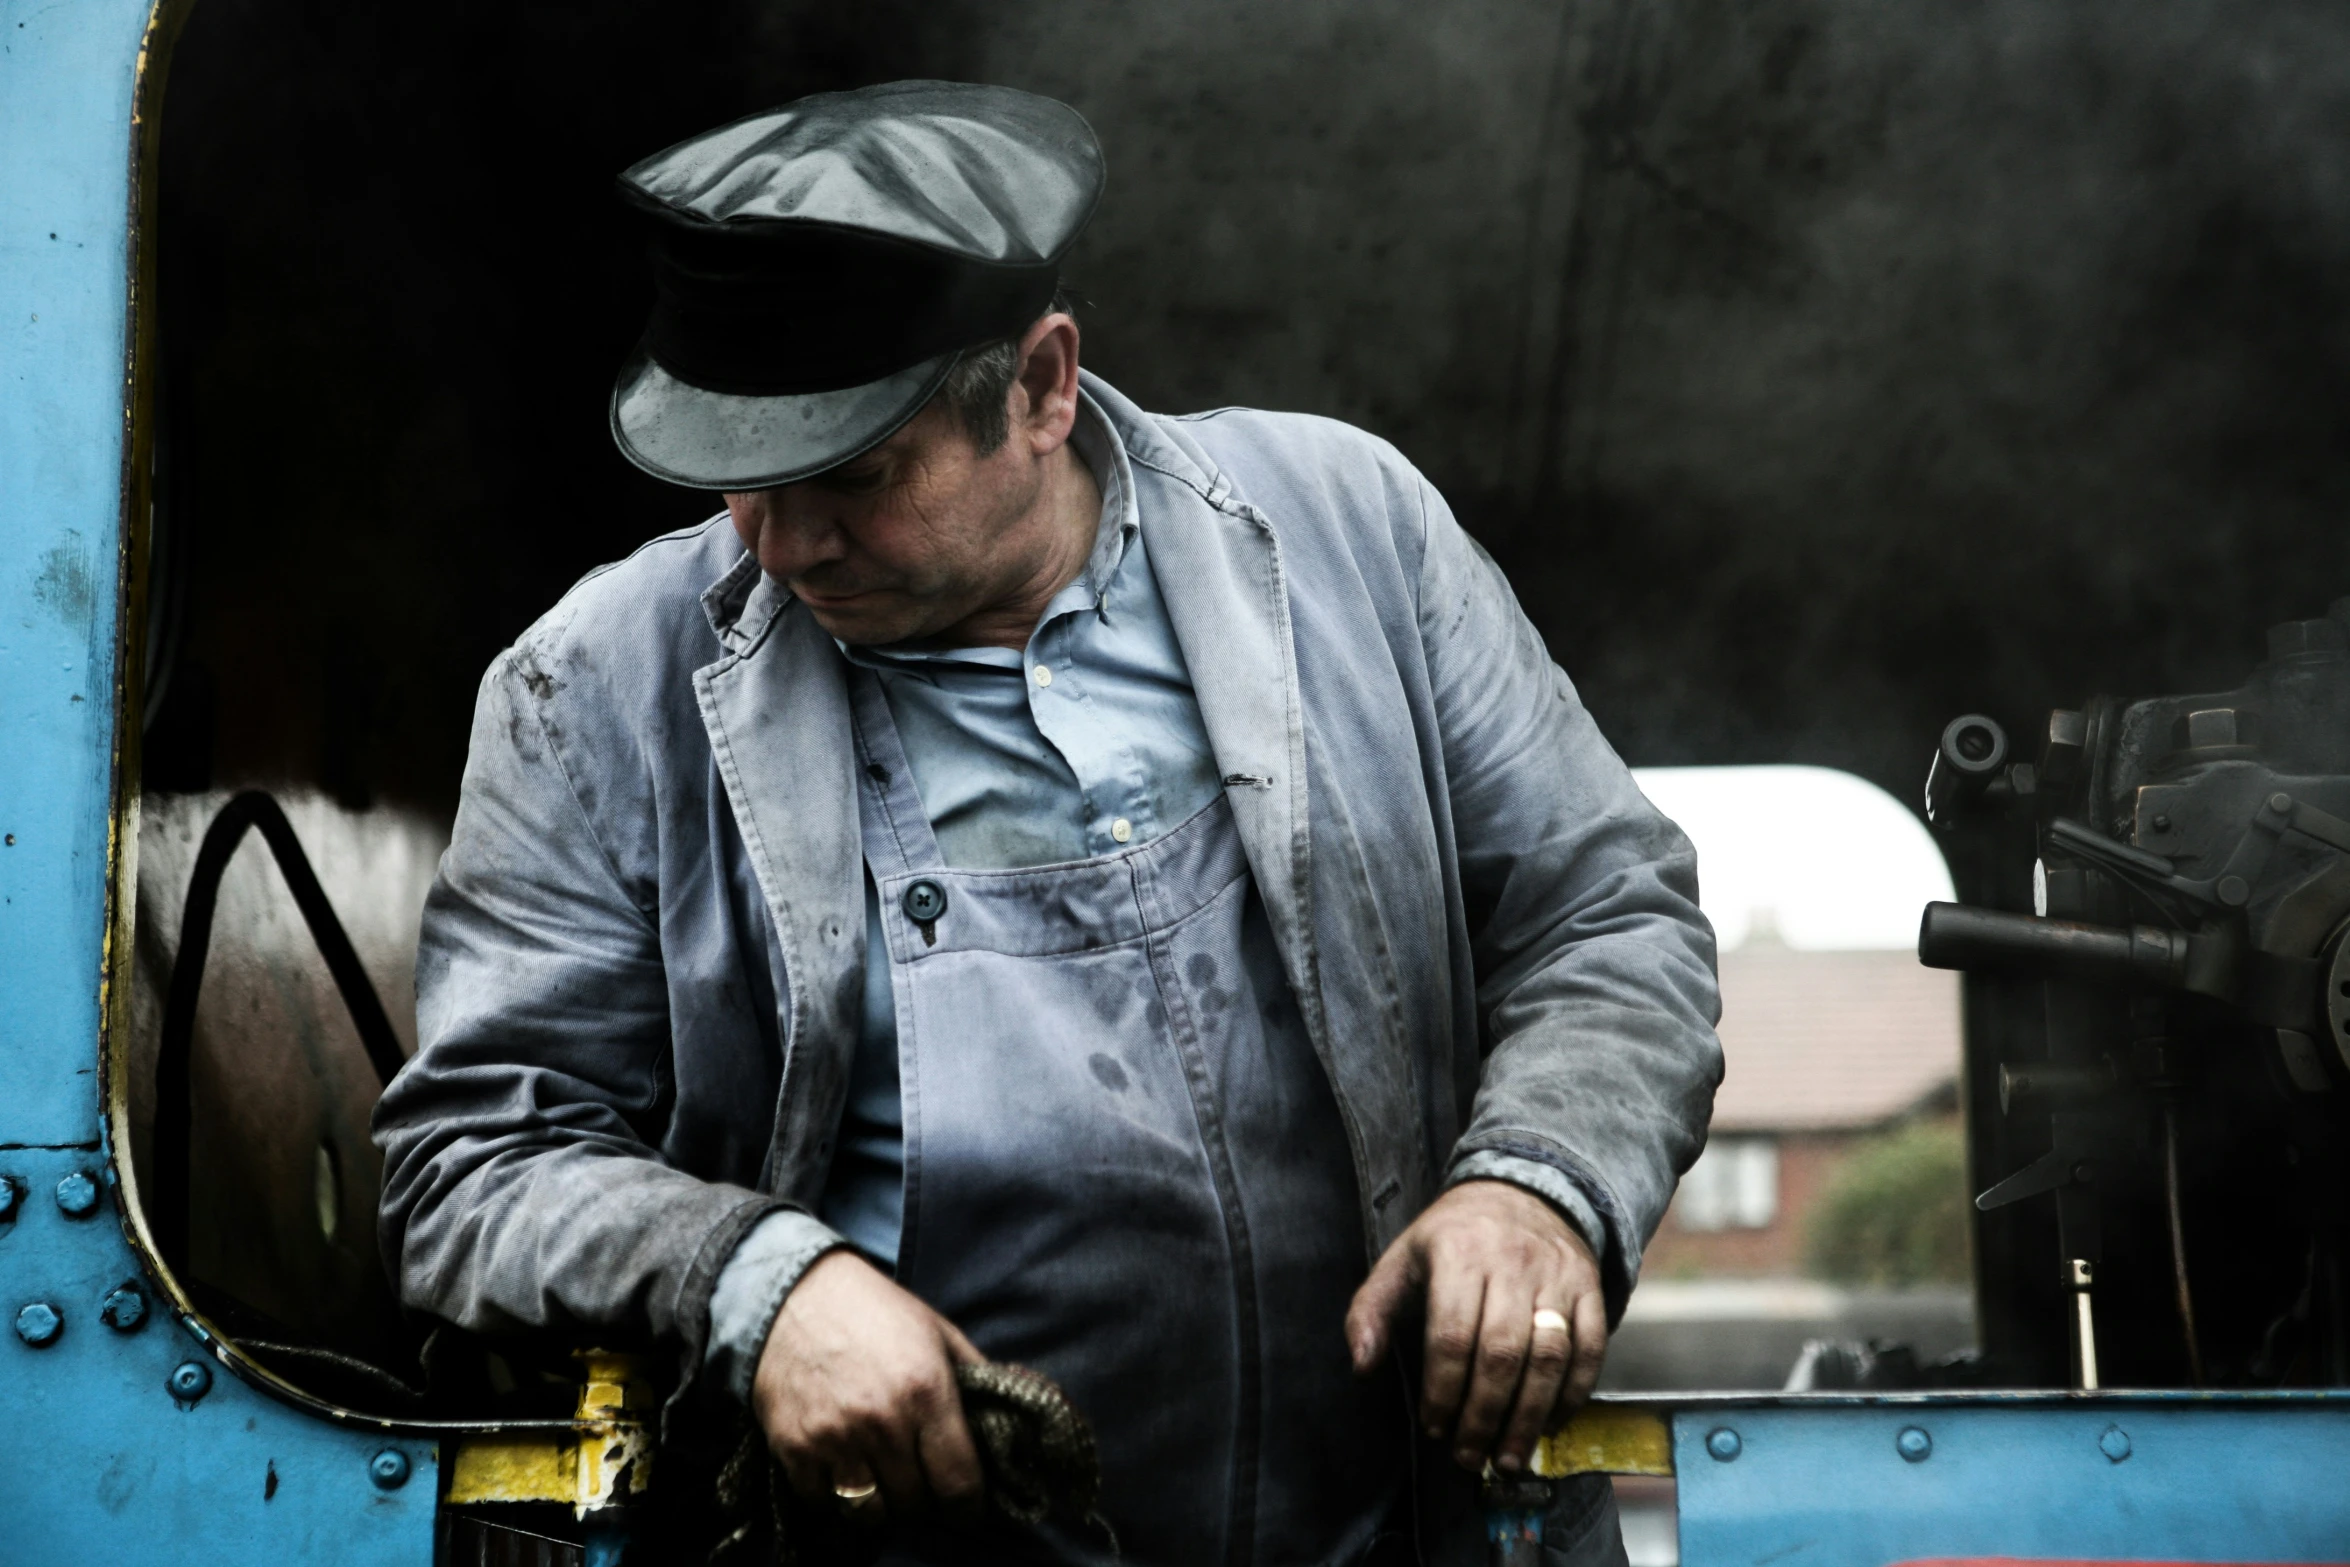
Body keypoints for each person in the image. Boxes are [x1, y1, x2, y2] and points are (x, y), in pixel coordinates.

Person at [374, 80, 1720, 1566]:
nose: (786, 540)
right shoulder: (594, 688)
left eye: (854, 476)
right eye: (741, 486)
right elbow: (471, 1167)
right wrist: (756, 1281)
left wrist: (1535, 1182)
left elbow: (1607, 917)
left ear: (1041, 383)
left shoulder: (1353, 531)